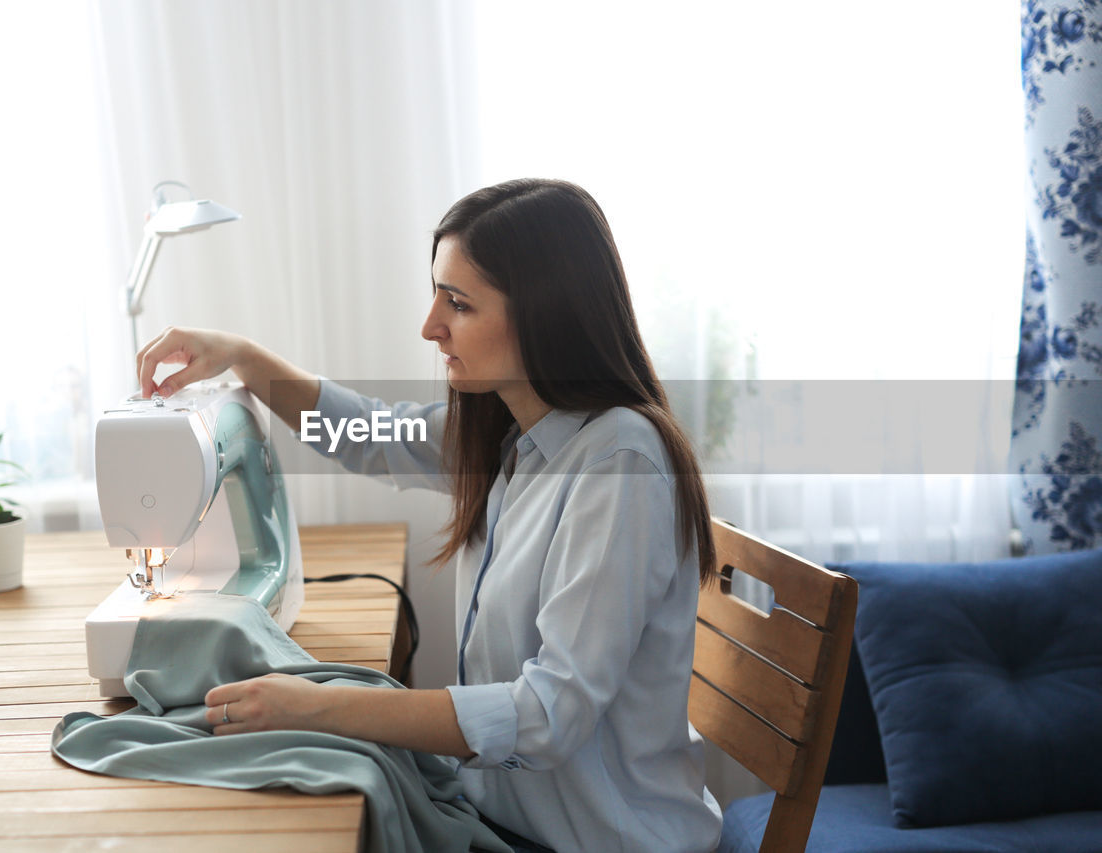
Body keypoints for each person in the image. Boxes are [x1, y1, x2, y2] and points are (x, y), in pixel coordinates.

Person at [136, 178, 723, 853]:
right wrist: (241, 354)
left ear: (545, 313)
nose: (430, 325)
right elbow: (368, 438)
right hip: (505, 818)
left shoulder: (619, 463)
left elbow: (548, 715)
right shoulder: (514, 433)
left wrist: (318, 706)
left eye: (459, 302)